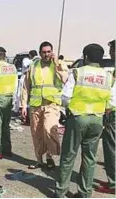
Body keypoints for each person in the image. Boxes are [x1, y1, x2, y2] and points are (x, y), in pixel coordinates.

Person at [54, 43, 115, 198]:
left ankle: (61, 191)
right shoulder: (108, 77)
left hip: (77, 118)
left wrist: (70, 107)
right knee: (90, 158)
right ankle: (85, 192)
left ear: (86, 57)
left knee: (68, 155)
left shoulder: (77, 73)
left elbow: (66, 97)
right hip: (97, 120)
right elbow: (112, 102)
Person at [20, 41, 68, 169]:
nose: (46, 54)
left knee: (49, 129)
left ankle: (51, 155)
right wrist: (23, 105)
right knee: (37, 134)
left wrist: (57, 63)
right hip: (36, 105)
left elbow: (65, 79)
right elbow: (26, 86)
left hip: (51, 104)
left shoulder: (59, 64)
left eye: (48, 52)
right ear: (40, 53)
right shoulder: (34, 65)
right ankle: (40, 160)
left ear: (52, 52)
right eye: (44, 52)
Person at [94, 39, 116, 194]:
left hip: (113, 113)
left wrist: (108, 108)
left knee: (111, 149)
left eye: (113, 50)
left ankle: (114, 183)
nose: (110, 53)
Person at [15, 50, 40, 122]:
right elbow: (27, 65)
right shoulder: (29, 61)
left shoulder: (35, 61)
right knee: (25, 96)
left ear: (30, 55)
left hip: (29, 79)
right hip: (31, 79)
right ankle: (24, 112)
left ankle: (24, 113)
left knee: (23, 95)